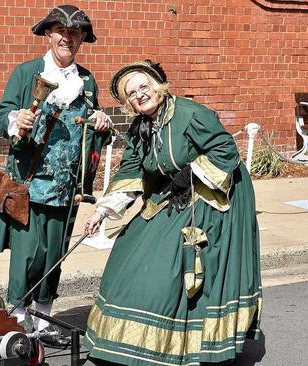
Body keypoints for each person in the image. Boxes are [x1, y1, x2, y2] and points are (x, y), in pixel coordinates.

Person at [82, 60, 262, 365]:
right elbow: (131, 171)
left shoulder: (190, 114)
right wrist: (102, 212)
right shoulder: (141, 128)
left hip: (215, 192)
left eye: (143, 86)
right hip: (175, 192)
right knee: (131, 244)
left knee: (170, 261)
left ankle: (192, 340)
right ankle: (130, 337)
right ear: (128, 103)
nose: (140, 94)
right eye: (132, 93)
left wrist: (190, 174)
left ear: (158, 85)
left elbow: (225, 151)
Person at [0, 5, 112, 344]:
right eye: (60, 31)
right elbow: (1, 117)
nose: (67, 37)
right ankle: (19, 319)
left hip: (68, 187)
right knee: (28, 254)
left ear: (83, 39)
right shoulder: (26, 74)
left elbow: (90, 128)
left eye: (75, 33)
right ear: (48, 34)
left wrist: (101, 123)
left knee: (55, 255)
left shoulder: (87, 80)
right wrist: (16, 120)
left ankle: (43, 320)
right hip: (30, 183)